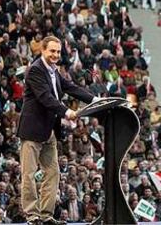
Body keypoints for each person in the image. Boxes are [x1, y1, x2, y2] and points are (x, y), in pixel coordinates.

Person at [17, 36, 99, 225]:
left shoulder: (54, 71)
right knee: (28, 174)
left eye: (58, 51)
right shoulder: (35, 70)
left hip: (49, 132)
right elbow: (46, 98)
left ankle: (46, 215)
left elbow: (70, 87)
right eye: (52, 51)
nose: (55, 55)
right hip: (32, 131)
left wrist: (94, 100)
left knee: (53, 172)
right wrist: (66, 111)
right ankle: (32, 215)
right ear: (43, 50)